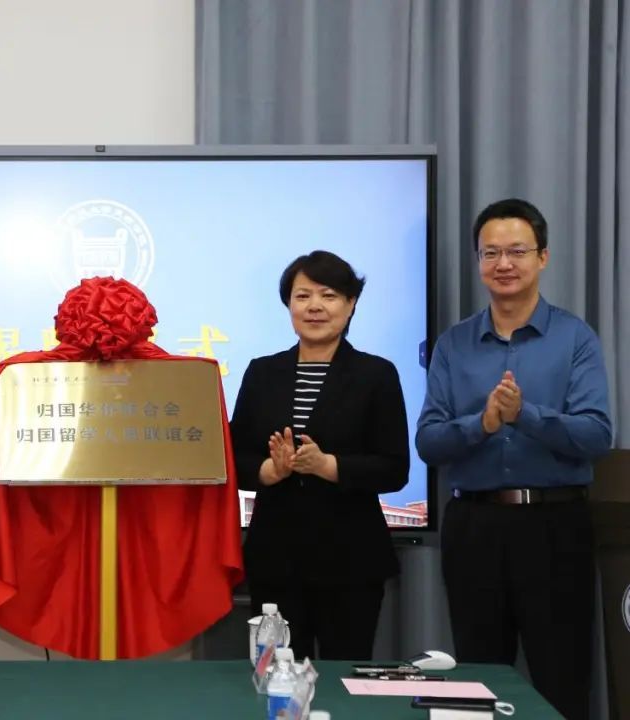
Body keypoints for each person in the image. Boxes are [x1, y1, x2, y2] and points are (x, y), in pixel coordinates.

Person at [416, 198, 611, 720]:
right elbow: (428, 443)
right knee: (478, 680)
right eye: (491, 253)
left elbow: (596, 435)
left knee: (562, 675)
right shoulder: (453, 344)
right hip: (474, 526)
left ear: (542, 257)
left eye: (517, 251)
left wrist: (525, 415)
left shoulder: (574, 338)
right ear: (479, 261)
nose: (504, 263)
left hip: (555, 525)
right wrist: (481, 424)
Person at [230, 250, 409, 662]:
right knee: (274, 673)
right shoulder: (262, 372)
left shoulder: (376, 374)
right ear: (288, 305)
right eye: (302, 296)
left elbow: (394, 468)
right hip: (276, 558)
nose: (314, 306)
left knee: (343, 675)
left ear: (351, 304)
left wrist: (329, 466)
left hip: (351, 559)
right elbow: (236, 456)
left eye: (328, 295)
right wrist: (270, 470)